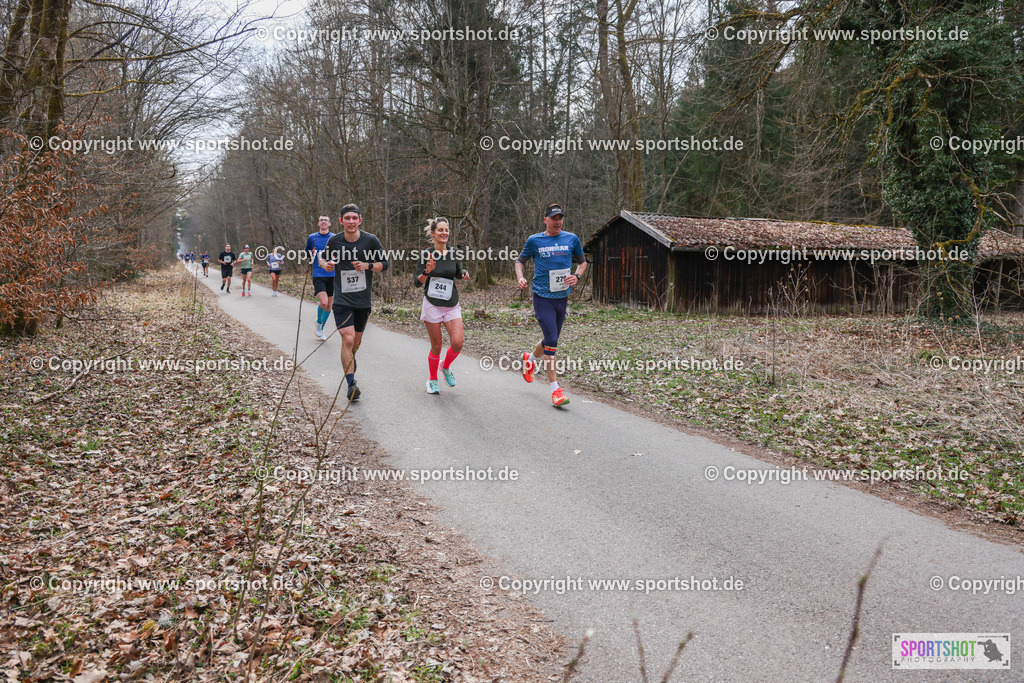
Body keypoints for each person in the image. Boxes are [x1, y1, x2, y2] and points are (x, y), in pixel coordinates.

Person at [515, 203, 587, 407]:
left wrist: (577, 276)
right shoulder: (535, 240)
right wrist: (520, 277)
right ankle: (555, 390)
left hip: (562, 297)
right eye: (554, 218)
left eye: (560, 218)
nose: (558, 222)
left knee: (550, 338)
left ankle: (529, 359)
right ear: (545, 220)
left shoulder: (571, 239)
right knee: (552, 341)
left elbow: (582, 263)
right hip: (542, 297)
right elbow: (520, 261)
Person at [319, 204, 389, 401]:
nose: (351, 221)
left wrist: (368, 265)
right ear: (341, 221)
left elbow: (385, 264)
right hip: (342, 300)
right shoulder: (334, 241)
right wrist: (327, 265)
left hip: (362, 301)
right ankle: (351, 384)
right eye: (347, 218)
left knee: (356, 342)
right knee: (347, 339)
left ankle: (350, 358)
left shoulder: (370, 241)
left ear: (360, 220)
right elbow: (322, 259)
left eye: (354, 218)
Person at [415, 218, 469, 394]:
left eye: (446, 230)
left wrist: (463, 273)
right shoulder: (426, 255)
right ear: (433, 233)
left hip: (451, 304)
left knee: (457, 343)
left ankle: (445, 366)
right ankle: (432, 380)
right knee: (437, 346)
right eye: (440, 230)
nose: (444, 233)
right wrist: (426, 272)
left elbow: (458, 273)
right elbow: (417, 282)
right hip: (432, 304)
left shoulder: (454, 253)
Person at [306, 215, 335, 340]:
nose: (323, 222)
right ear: (318, 223)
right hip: (318, 274)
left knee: (329, 306)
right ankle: (318, 323)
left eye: (326, 221)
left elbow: (339, 253)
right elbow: (307, 252)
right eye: (321, 220)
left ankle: (321, 329)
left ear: (329, 223)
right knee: (323, 302)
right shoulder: (312, 237)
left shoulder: (334, 238)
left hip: (332, 275)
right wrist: (311, 253)